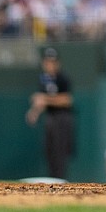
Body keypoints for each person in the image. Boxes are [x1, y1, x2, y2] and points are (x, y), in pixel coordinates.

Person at [25, 47, 75, 180]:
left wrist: (44, 99)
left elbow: (67, 100)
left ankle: (59, 180)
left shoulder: (63, 78)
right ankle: (52, 180)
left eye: (53, 62)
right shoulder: (43, 79)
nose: (50, 65)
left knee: (60, 152)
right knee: (49, 151)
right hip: (50, 117)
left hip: (62, 118)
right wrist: (34, 112)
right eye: (47, 62)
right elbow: (42, 102)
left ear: (58, 63)